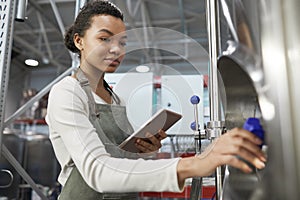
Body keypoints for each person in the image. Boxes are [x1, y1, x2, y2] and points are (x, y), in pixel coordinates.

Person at [45, 0, 266, 199]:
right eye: (104, 39)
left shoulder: (115, 97)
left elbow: (122, 164)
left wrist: (144, 151)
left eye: (122, 43)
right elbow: (98, 171)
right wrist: (195, 164)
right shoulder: (67, 92)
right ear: (79, 41)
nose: (116, 49)